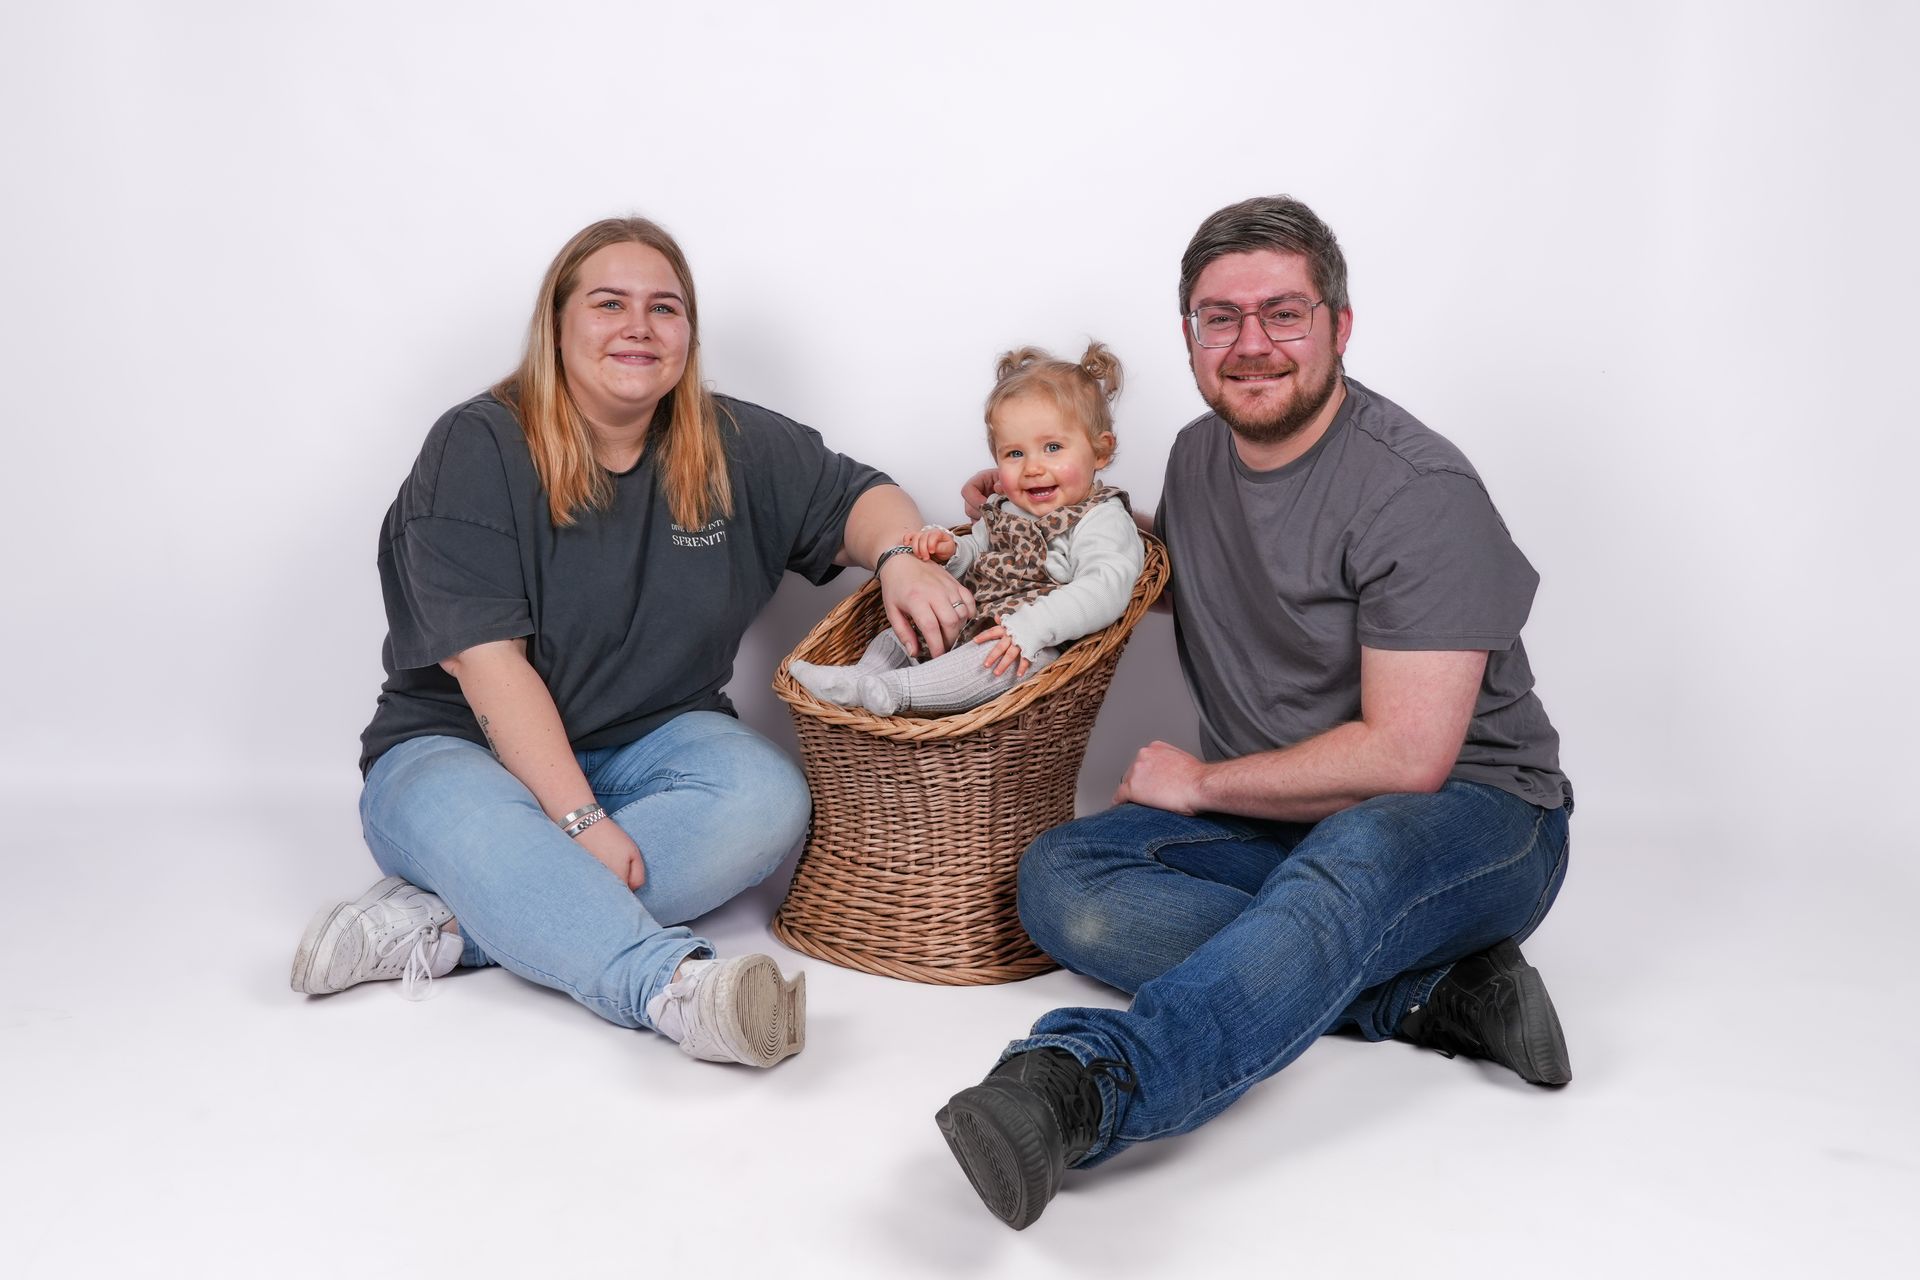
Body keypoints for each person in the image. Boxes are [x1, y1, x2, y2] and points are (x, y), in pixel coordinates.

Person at [936, 196, 1575, 1225]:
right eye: (1218, 317)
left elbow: (1407, 757)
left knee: (1357, 854)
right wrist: (1040, 517)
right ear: (1188, 335)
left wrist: (1200, 781)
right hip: (1288, 811)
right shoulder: (1197, 456)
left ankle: (1081, 1085)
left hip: (1480, 817)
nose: (1251, 344)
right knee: (1060, 878)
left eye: (1283, 313)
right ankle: (1421, 993)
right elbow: (1143, 567)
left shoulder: (1418, 489)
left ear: (1340, 326)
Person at [290, 216, 970, 1068]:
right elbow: (485, 663)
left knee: (768, 798)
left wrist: (903, 557)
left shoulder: (731, 444)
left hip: (650, 745)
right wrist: (579, 826)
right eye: (609, 303)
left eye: (666, 308)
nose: (639, 327)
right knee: (496, 830)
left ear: (688, 333)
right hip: (455, 753)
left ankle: (444, 926)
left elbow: (860, 495)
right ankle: (678, 990)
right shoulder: (478, 443)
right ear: (558, 325)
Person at [788, 343, 1144, 717]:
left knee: (996, 664)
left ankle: (895, 691)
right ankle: (861, 677)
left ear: (1100, 452)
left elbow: (1105, 587)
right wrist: (951, 552)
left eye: (1052, 447)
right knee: (906, 630)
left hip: (1022, 640)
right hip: (969, 618)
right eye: (1015, 454)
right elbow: (979, 552)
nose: (1033, 468)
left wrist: (1032, 627)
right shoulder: (1006, 508)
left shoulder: (1099, 519)